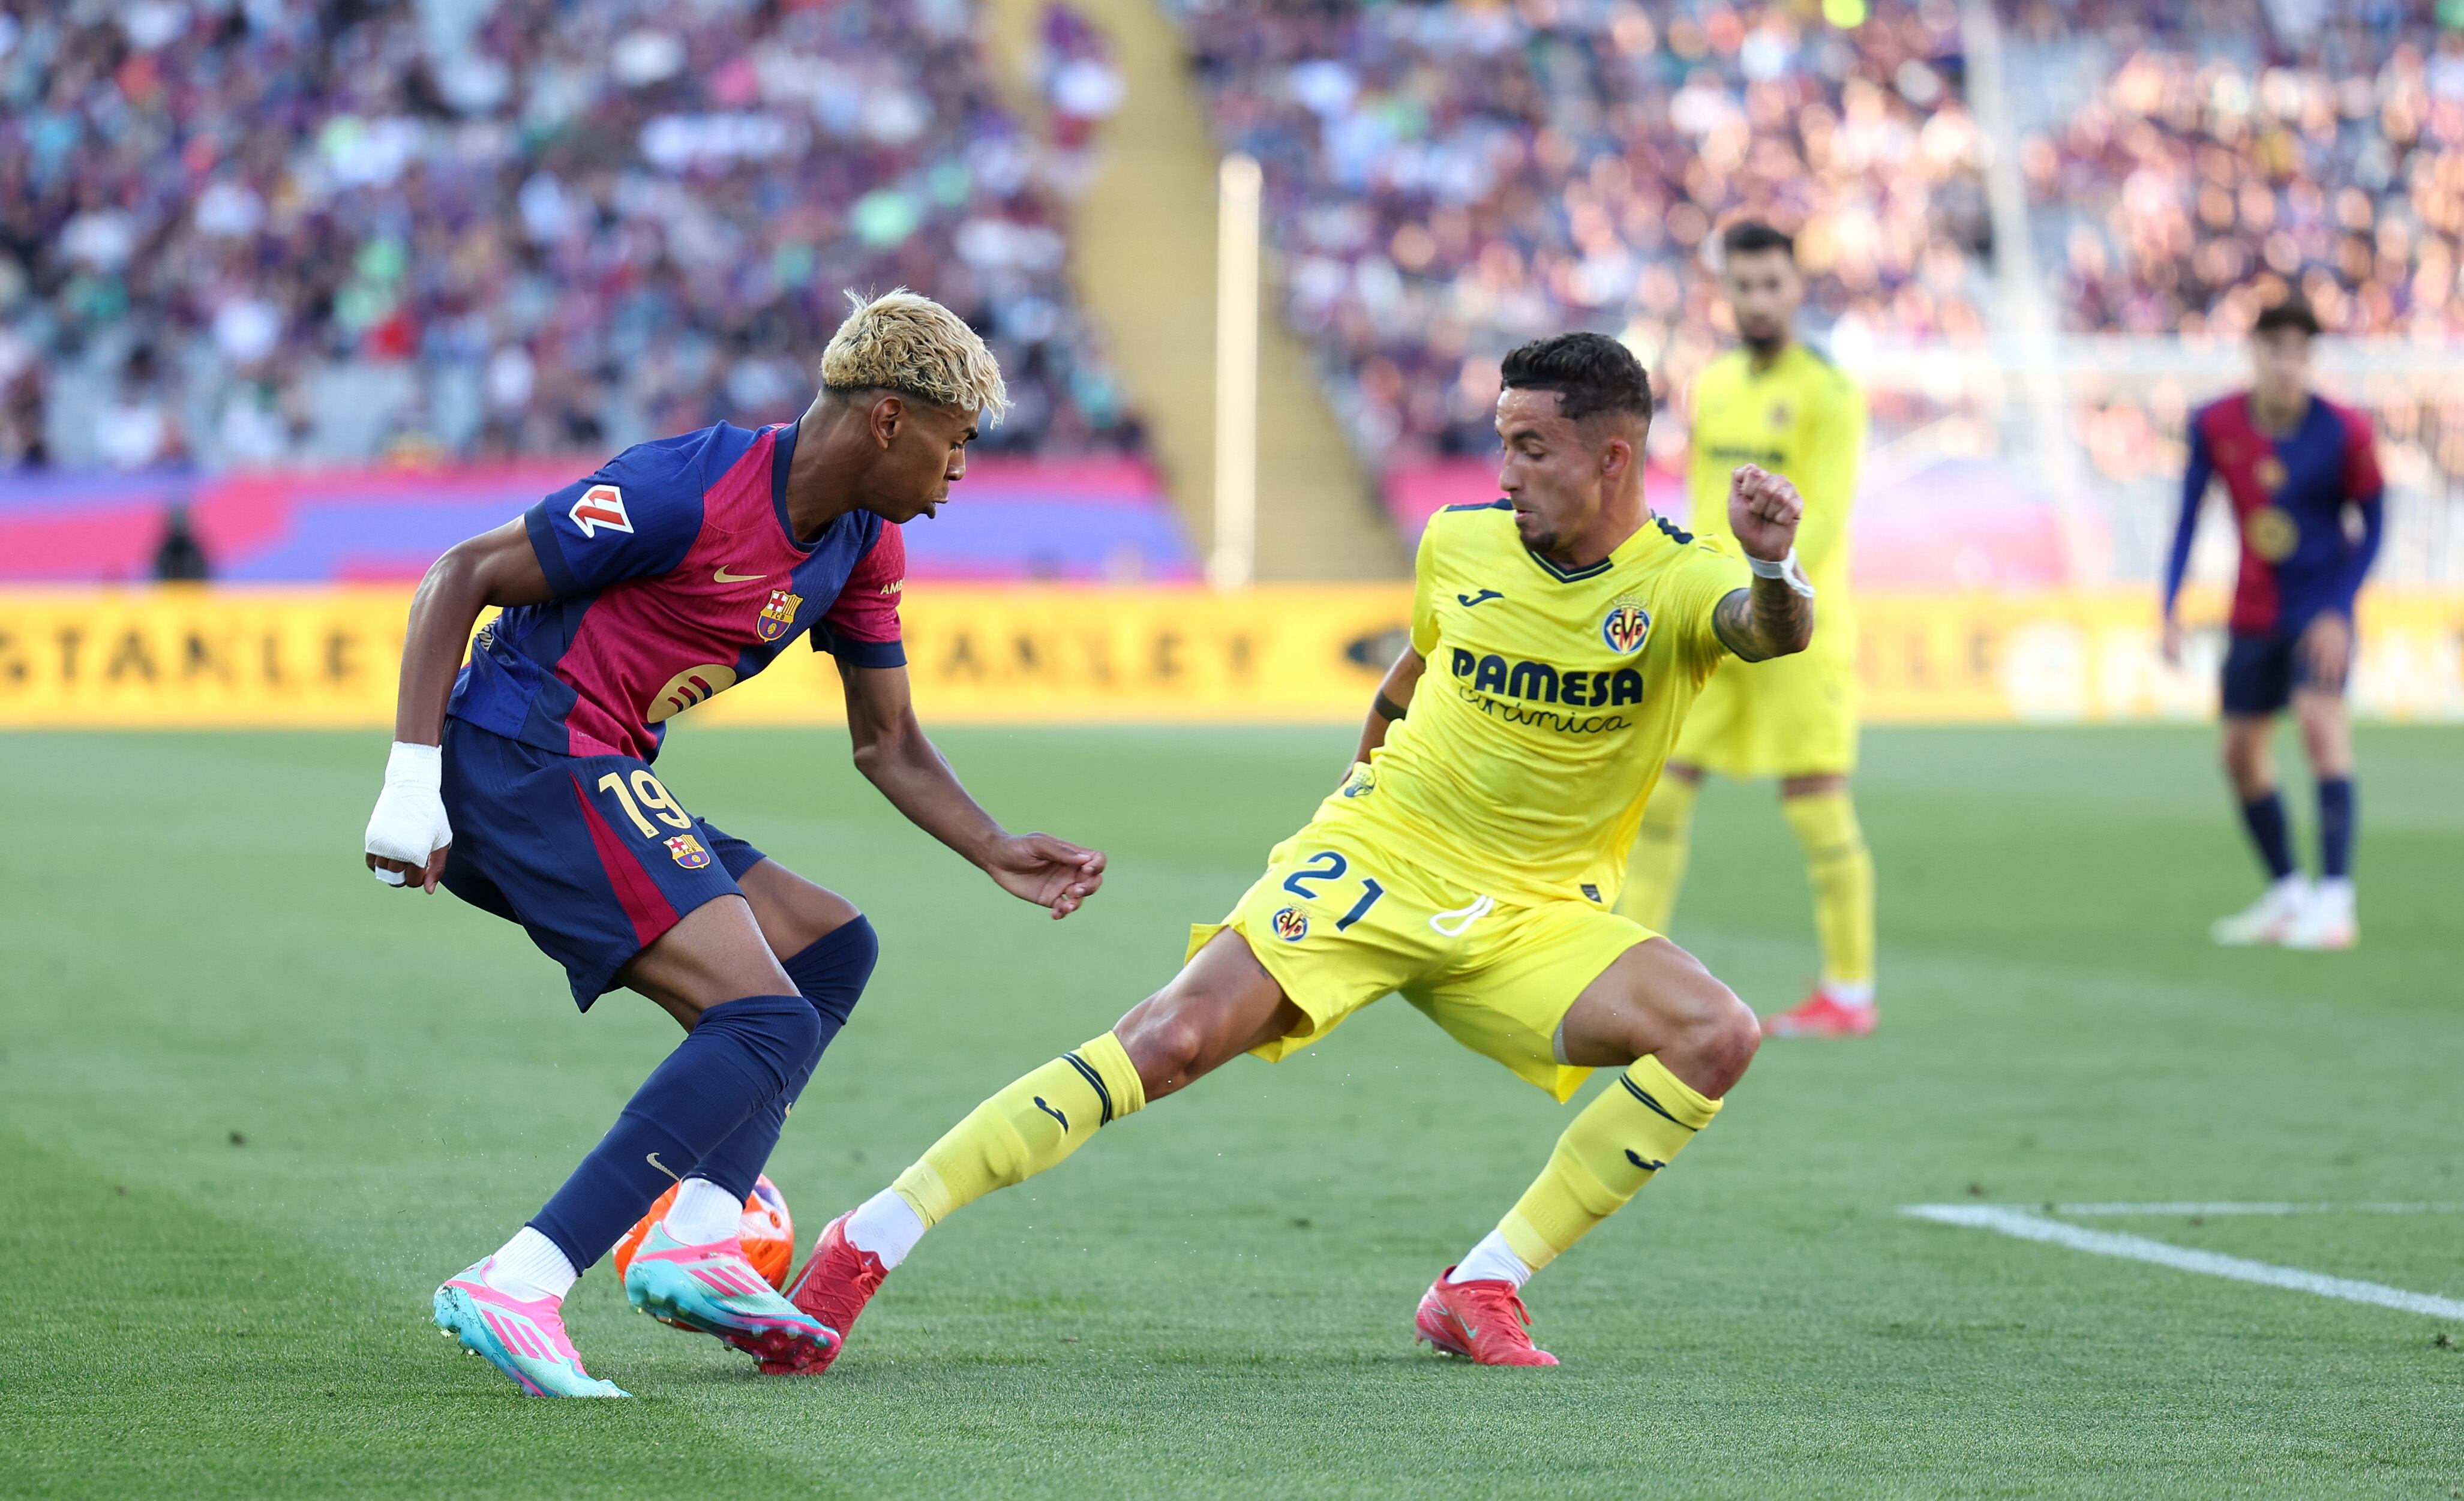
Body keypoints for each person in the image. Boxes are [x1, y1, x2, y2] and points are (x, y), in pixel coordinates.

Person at [782, 332, 1816, 1368]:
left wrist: (1772, 561)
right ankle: (866, 1239)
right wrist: (1358, 797)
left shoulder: (1683, 582)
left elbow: (1771, 630)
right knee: (1174, 1038)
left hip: (1534, 914)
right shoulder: (1462, 543)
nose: (1504, 474)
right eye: (1502, 443)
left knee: (1713, 1032)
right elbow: (1410, 677)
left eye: (1532, 448)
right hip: (1380, 858)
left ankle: (1483, 1280)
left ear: (1612, 460)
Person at [361, 290, 1109, 1398]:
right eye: (955, 443)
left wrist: (992, 845)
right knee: (759, 1017)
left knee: (827, 949)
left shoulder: (864, 544)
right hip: (519, 755)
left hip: (594, 765)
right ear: (889, 420)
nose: (962, 472)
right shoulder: (686, 485)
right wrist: (410, 784)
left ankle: (698, 1235)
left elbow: (889, 740)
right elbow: (459, 576)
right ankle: (521, 1278)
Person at [1618, 221, 1874, 1037]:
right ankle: (1626, 965)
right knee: (1660, 789)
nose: (1758, 299)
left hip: (1792, 625)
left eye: (1772, 284)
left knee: (1814, 801)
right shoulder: (1715, 380)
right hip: (1711, 621)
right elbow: (1699, 501)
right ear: (1723, 292)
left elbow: (1824, 519)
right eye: (1744, 285)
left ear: (1796, 288)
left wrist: (1769, 592)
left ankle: (1849, 991)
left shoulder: (1829, 393)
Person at [2163, 296, 2382, 950]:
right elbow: (2187, 515)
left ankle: (2335, 902)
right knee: (2238, 753)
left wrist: (2341, 610)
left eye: (2300, 352)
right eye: (2276, 350)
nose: (2289, 364)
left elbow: (2375, 525)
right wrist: (2168, 606)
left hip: (2319, 610)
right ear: (2254, 353)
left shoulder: (2344, 431)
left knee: (2321, 727)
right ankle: (2289, 892)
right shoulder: (2215, 422)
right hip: (2253, 609)